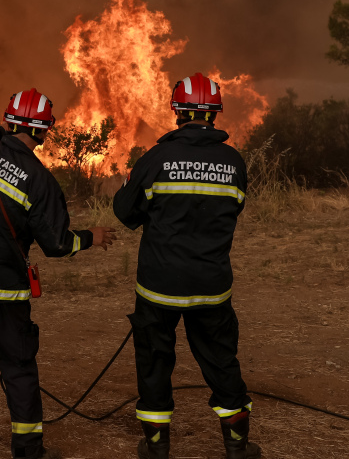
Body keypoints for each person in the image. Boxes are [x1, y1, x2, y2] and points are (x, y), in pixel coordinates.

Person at [0, 88, 115, 459]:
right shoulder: (40, 181)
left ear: (8, 121)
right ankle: (27, 448)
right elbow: (56, 244)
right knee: (18, 367)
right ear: (44, 133)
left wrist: (3, 129)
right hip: (2, 290)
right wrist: (90, 237)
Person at [113, 73, 260, 459]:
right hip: (211, 286)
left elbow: (126, 214)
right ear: (215, 114)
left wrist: (130, 186)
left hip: (159, 286)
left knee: (155, 364)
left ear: (177, 111)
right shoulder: (233, 162)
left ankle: (157, 448)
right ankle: (237, 446)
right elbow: (233, 210)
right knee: (220, 361)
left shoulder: (156, 159)